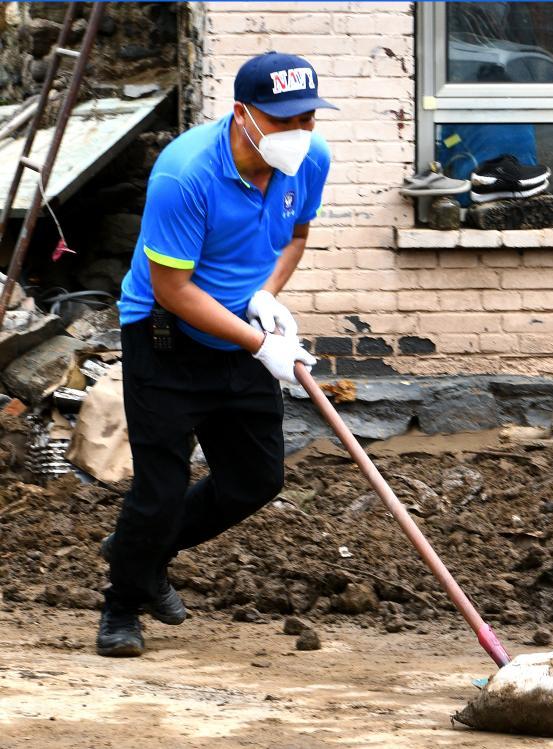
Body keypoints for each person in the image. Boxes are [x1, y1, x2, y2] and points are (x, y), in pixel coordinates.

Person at [97, 52, 335, 657]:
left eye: (307, 118)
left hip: (239, 331)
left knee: (256, 478)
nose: (297, 133)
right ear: (242, 114)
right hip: (165, 338)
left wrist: (266, 295)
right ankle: (121, 607)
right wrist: (263, 345)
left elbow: (297, 235)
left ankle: (140, 556)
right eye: (282, 120)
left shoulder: (310, 160)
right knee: (161, 489)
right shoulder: (185, 175)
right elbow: (173, 291)